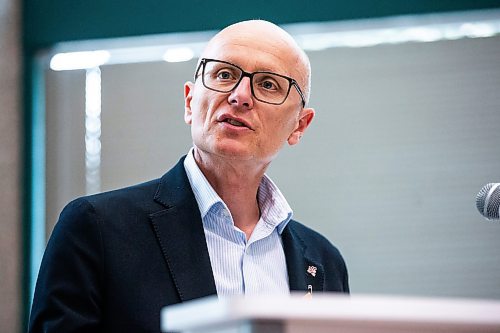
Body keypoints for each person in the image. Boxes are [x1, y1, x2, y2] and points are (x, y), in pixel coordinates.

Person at [28, 19, 349, 333]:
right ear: (190, 101)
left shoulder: (324, 262)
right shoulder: (95, 229)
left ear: (299, 126)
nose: (240, 95)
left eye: (268, 84)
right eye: (224, 74)